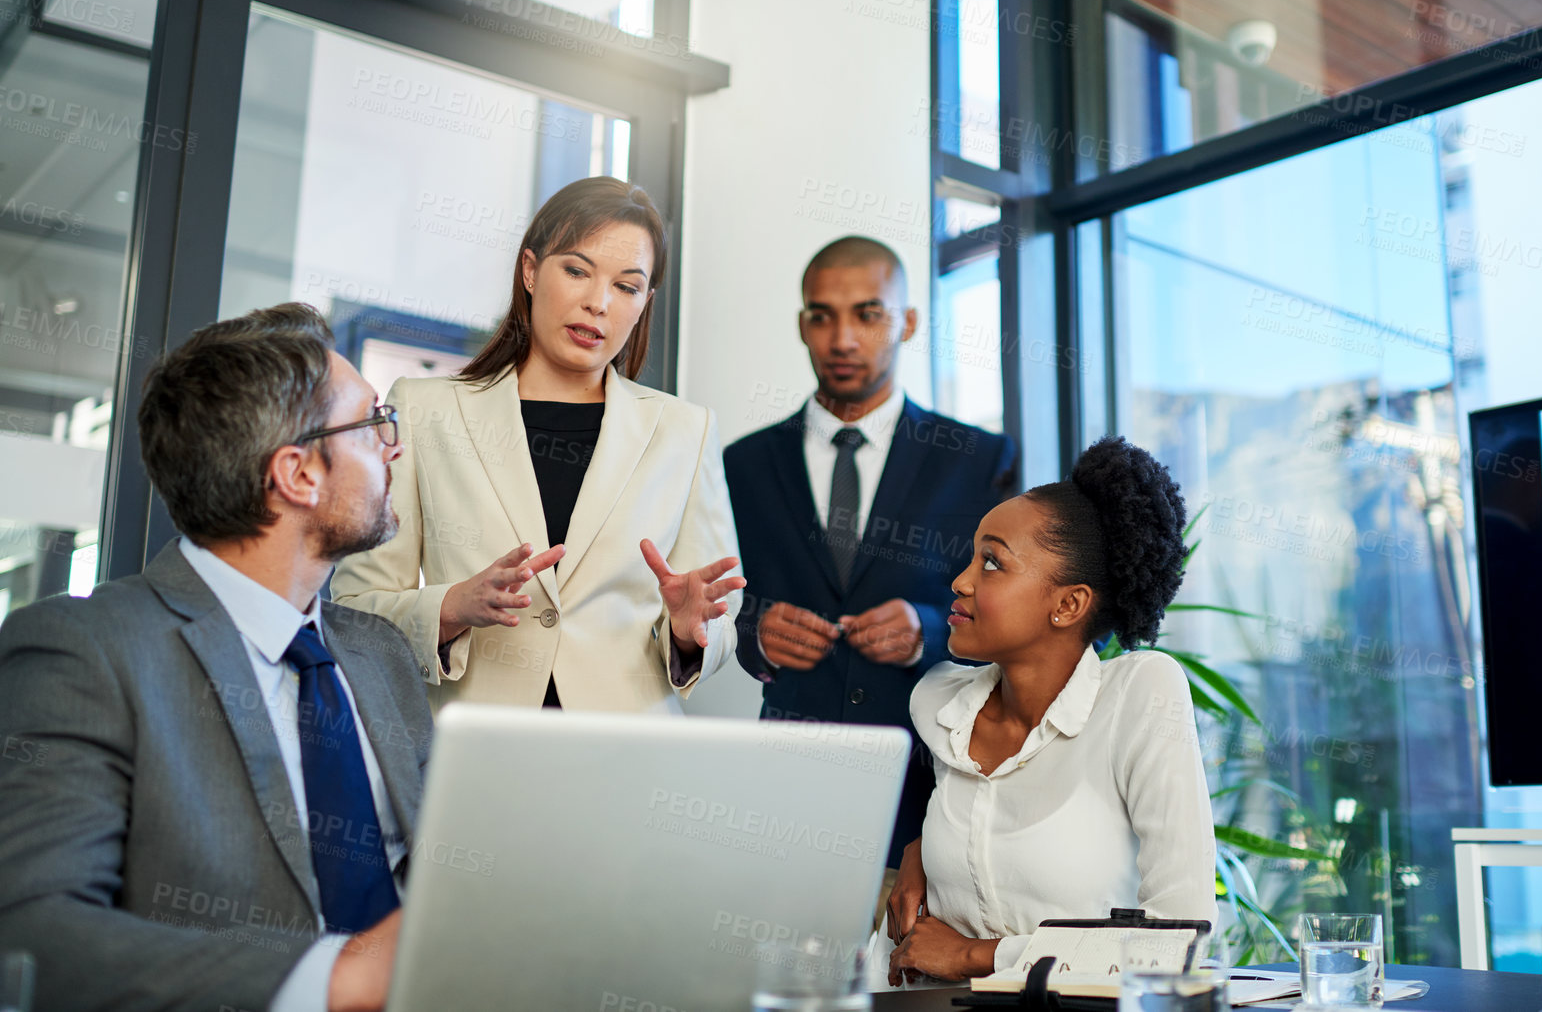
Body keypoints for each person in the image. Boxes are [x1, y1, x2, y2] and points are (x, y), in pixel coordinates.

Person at [0, 304, 427, 1012]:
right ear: (298, 474)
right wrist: (338, 977)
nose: (394, 446)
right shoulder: (83, 652)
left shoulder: (378, 652)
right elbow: (31, 935)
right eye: (373, 421)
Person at [333, 177, 745, 713]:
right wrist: (453, 606)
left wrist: (692, 635)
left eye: (626, 286)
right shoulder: (424, 410)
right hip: (476, 754)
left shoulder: (686, 431)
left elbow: (720, 619)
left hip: (625, 763)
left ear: (645, 302)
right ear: (530, 270)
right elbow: (354, 615)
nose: (598, 303)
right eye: (576, 270)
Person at [725, 235, 1016, 867]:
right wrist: (754, 631)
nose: (844, 340)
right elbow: (721, 604)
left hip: (933, 792)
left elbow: (1020, 614)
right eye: (822, 316)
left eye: (868, 313)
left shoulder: (981, 461)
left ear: (908, 322)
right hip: (788, 791)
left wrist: (929, 629)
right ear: (803, 325)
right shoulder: (742, 463)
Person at [885, 436, 1218, 984]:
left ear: (1068, 604)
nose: (961, 581)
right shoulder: (941, 704)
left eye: (992, 562)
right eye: (973, 557)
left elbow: (1178, 939)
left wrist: (978, 955)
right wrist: (923, 848)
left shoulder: (1138, 695)